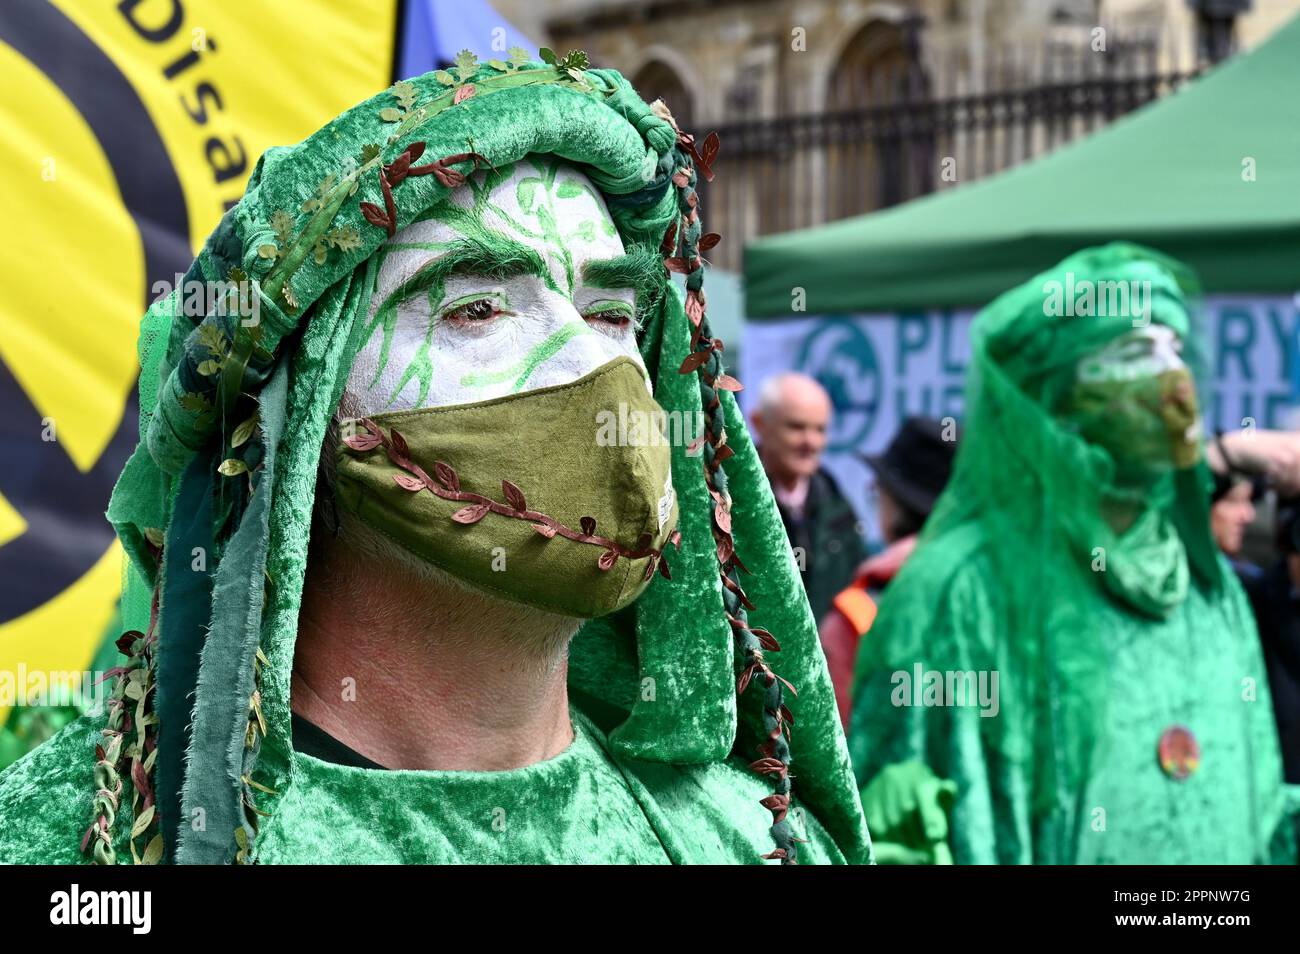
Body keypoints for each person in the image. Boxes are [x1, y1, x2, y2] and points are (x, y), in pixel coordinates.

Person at [0, 53, 870, 865]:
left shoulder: (746, 838)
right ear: (302, 417)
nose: (593, 365)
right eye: (480, 308)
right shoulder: (83, 840)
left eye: (610, 313)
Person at [849, 242, 1294, 864]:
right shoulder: (962, 590)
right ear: (1057, 399)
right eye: (1136, 352)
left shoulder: (1205, 585)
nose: (1174, 378)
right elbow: (909, 834)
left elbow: (1257, 802)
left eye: (1175, 347)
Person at [819, 416, 960, 726]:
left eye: (879, 490)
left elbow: (828, 742)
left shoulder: (859, 612)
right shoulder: (997, 600)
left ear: (895, 502)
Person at [751, 373, 866, 623]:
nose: (810, 442)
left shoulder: (838, 507)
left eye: (820, 429)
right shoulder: (734, 502)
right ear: (760, 424)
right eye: (796, 427)